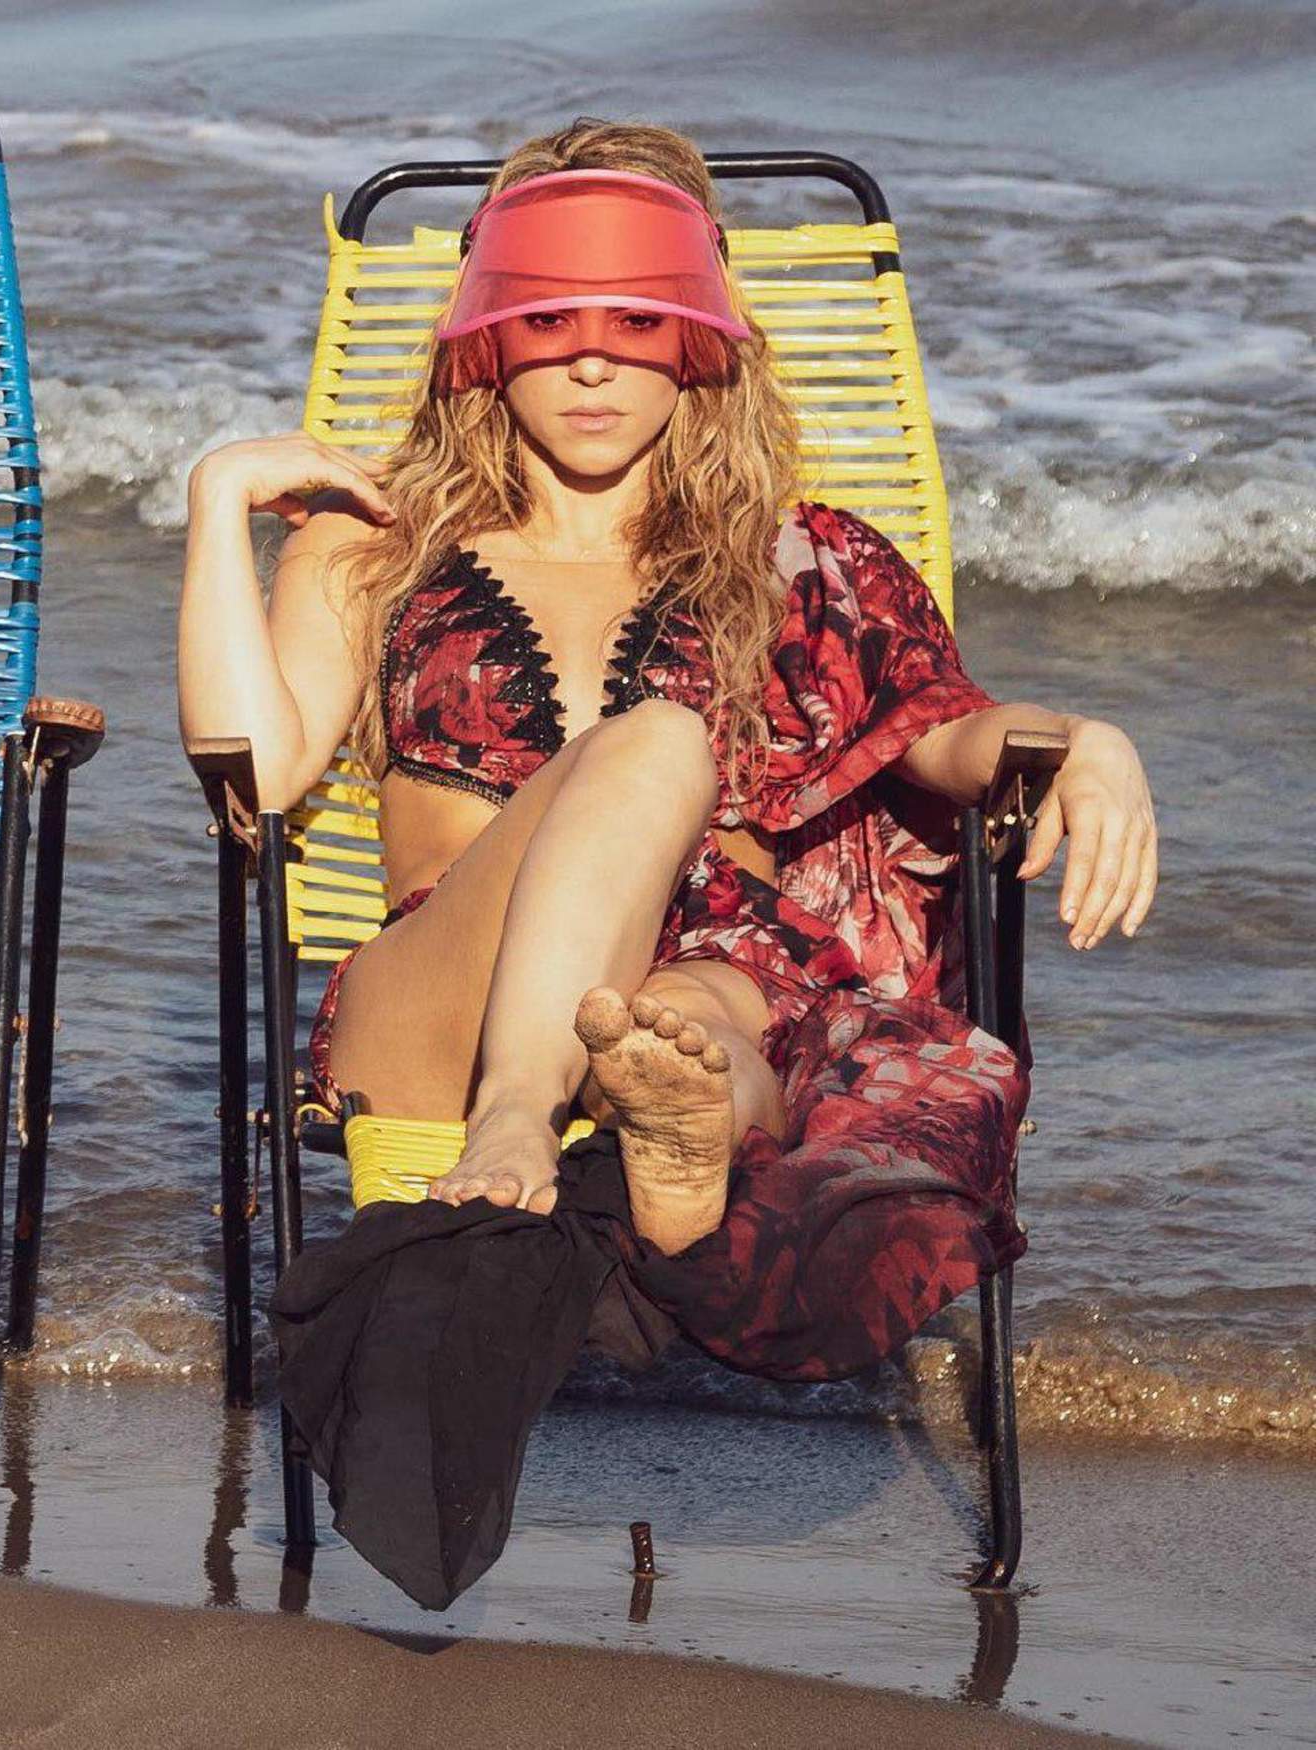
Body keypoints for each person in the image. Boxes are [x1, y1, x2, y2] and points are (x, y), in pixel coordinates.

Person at [177, 118, 1157, 1385]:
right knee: (651, 743)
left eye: (635, 321)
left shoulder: (799, 560)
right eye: (548, 320)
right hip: (440, 1009)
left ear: (698, 333)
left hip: (708, 977)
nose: (591, 364)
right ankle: (527, 1103)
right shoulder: (374, 544)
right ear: (486, 331)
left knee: (694, 1017)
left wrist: (1083, 739)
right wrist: (217, 502)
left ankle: (677, 1131)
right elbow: (252, 773)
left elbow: (941, 731)